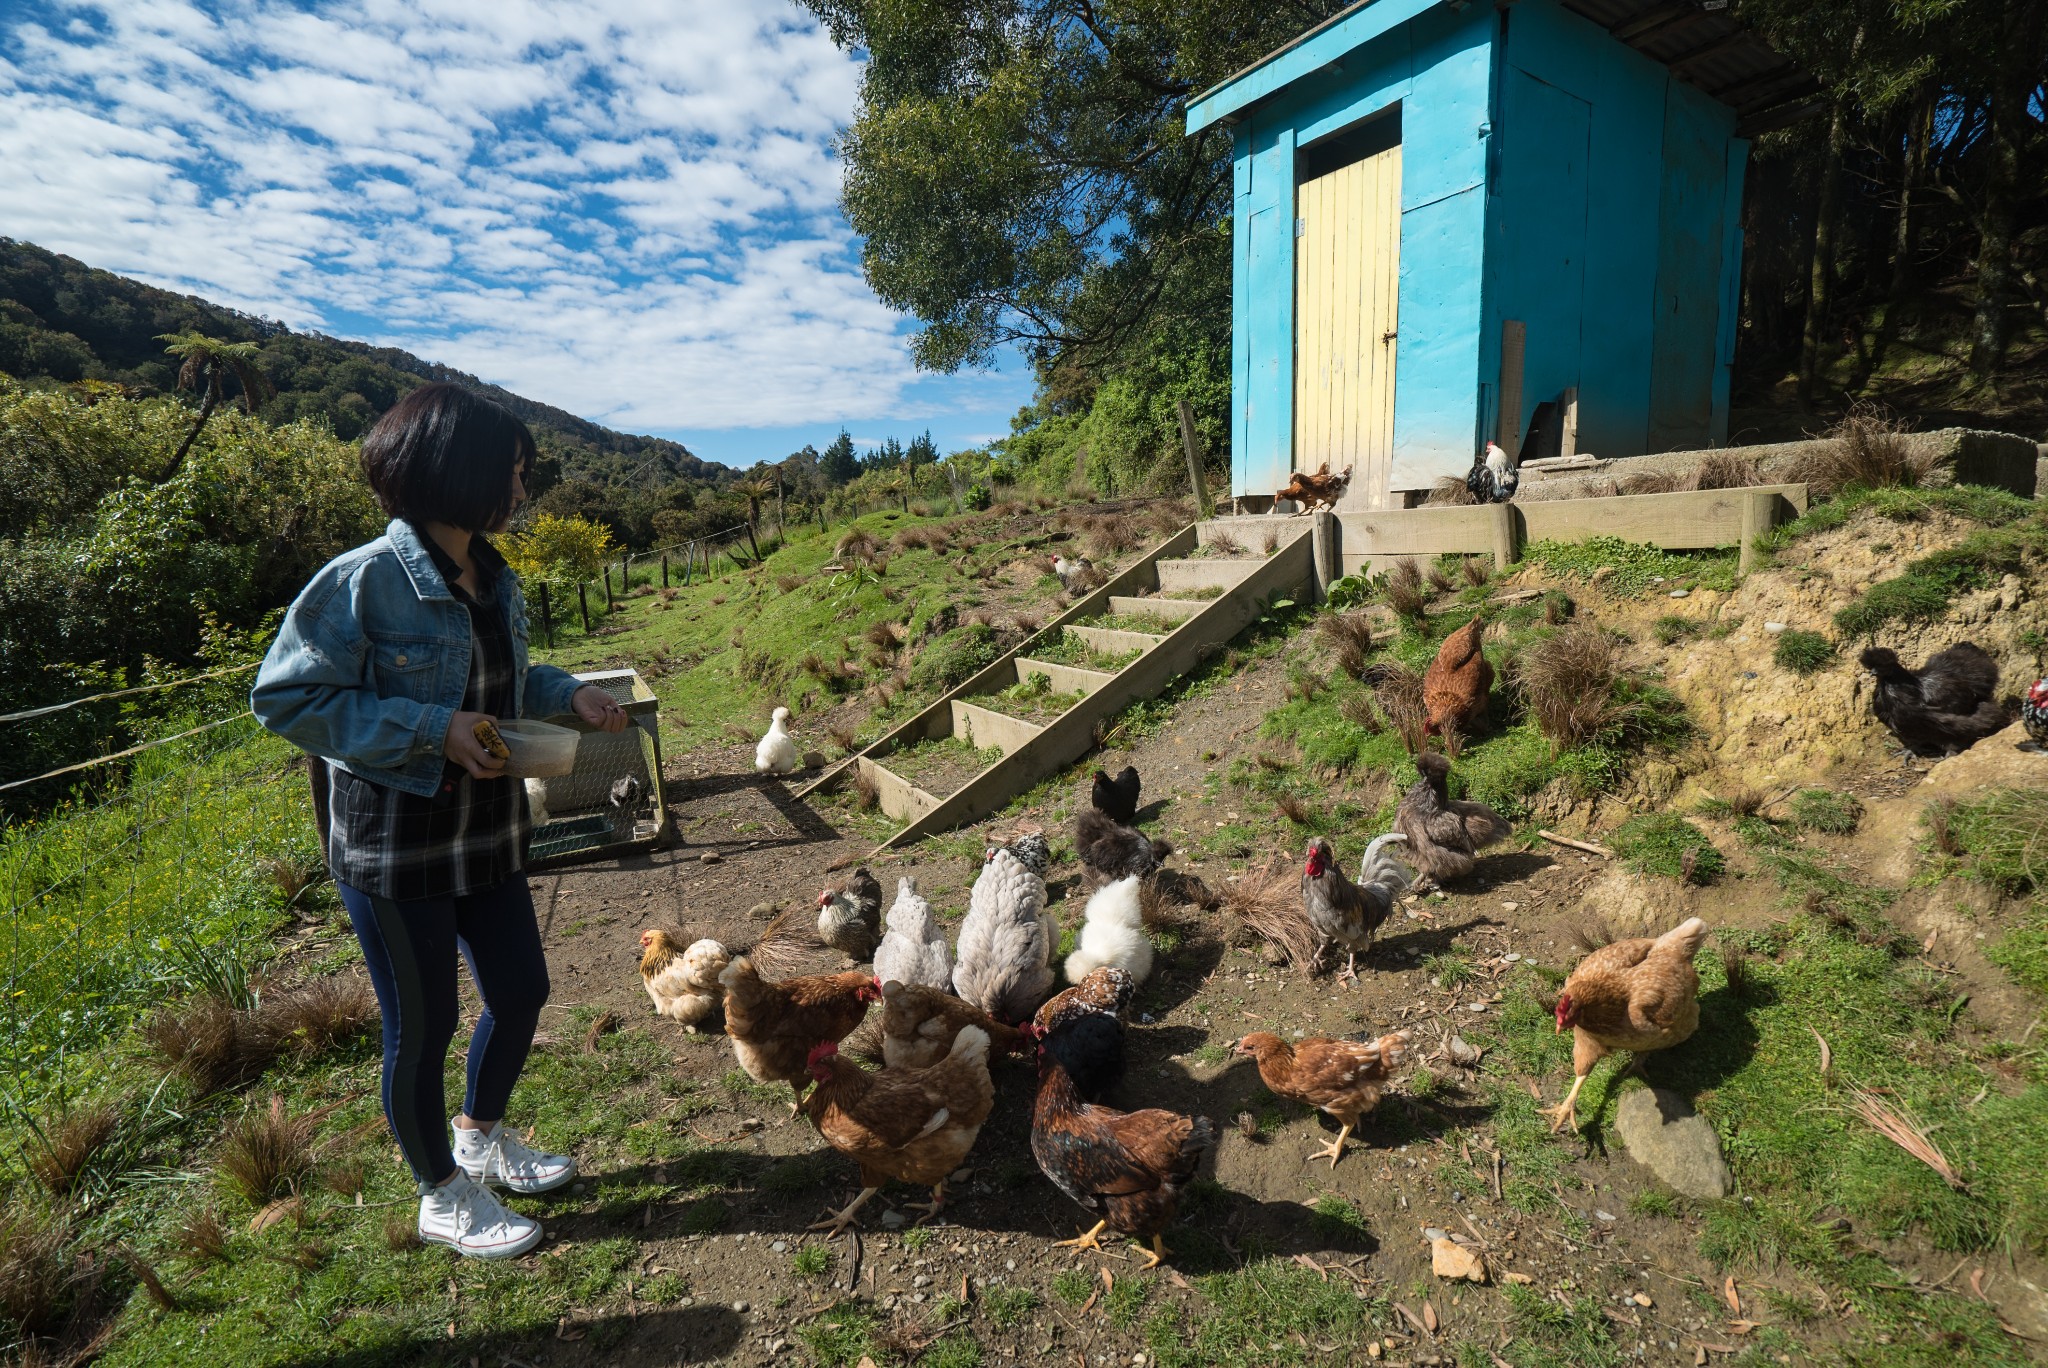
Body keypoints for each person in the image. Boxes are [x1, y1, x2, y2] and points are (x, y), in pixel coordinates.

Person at [251, 382, 630, 1260]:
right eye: (515, 472)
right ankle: (439, 1194)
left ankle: (479, 1137)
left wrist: (567, 691)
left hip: (489, 833)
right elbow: (287, 697)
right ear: (459, 474)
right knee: (420, 1029)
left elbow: (499, 682)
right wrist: (431, 731)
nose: (524, 490)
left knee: (522, 992)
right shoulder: (363, 581)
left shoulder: (496, 579)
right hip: (396, 846)